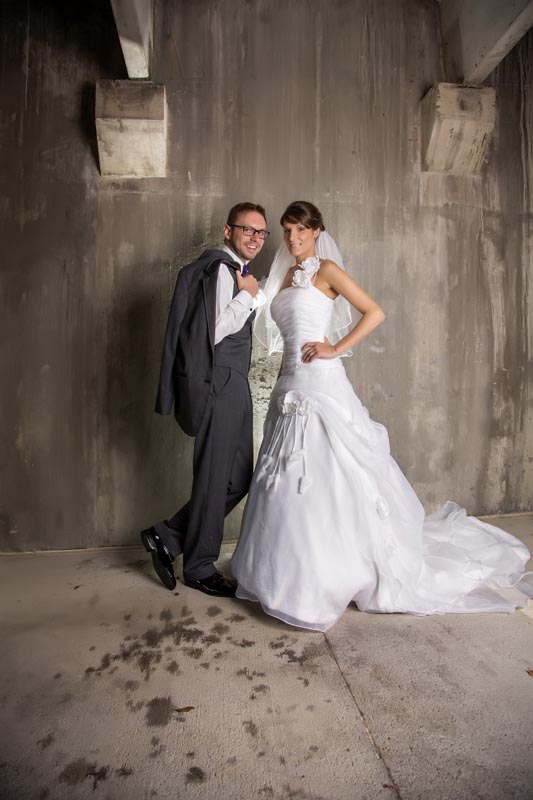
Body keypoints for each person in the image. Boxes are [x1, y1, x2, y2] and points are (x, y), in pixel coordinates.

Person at [231, 200, 533, 630]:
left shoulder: (327, 270)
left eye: (300, 230)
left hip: (322, 385)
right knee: (286, 480)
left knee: (325, 476)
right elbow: (281, 334)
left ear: (317, 232)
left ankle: (329, 577)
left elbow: (375, 312)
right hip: (289, 385)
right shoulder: (282, 279)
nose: (293, 238)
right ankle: (282, 575)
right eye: (287, 231)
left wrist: (335, 348)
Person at [141, 202, 269, 597]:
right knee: (215, 477)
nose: (255, 237)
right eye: (247, 229)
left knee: (237, 479)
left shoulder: (235, 274)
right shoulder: (221, 271)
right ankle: (198, 567)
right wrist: (248, 296)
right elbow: (212, 331)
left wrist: (253, 293)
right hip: (220, 381)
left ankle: (166, 536)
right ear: (228, 231)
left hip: (235, 381)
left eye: (261, 232)